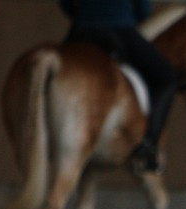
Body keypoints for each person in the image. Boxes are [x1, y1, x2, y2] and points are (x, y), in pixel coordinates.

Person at [59, 0, 177, 171]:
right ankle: (149, 145)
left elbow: (65, 3)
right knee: (166, 78)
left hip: (80, 30)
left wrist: (82, 16)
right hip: (120, 29)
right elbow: (144, 9)